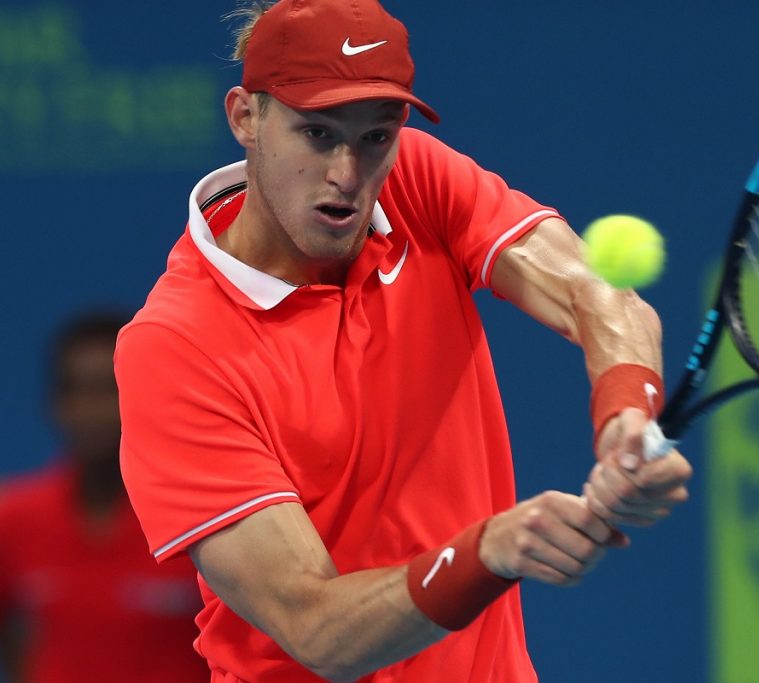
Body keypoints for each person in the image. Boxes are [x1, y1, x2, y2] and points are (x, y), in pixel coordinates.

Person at [115, 1, 694, 681]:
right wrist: (490, 550)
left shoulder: (415, 180)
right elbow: (316, 626)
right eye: (317, 134)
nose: (347, 174)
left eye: (376, 138)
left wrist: (626, 417)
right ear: (245, 116)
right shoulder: (175, 346)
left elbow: (595, 293)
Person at [0, 312, 208, 683]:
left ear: (144, 398)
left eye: (106, 390)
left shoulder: (201, 518)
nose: (89, 411)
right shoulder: (14, 517)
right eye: (74, 391)